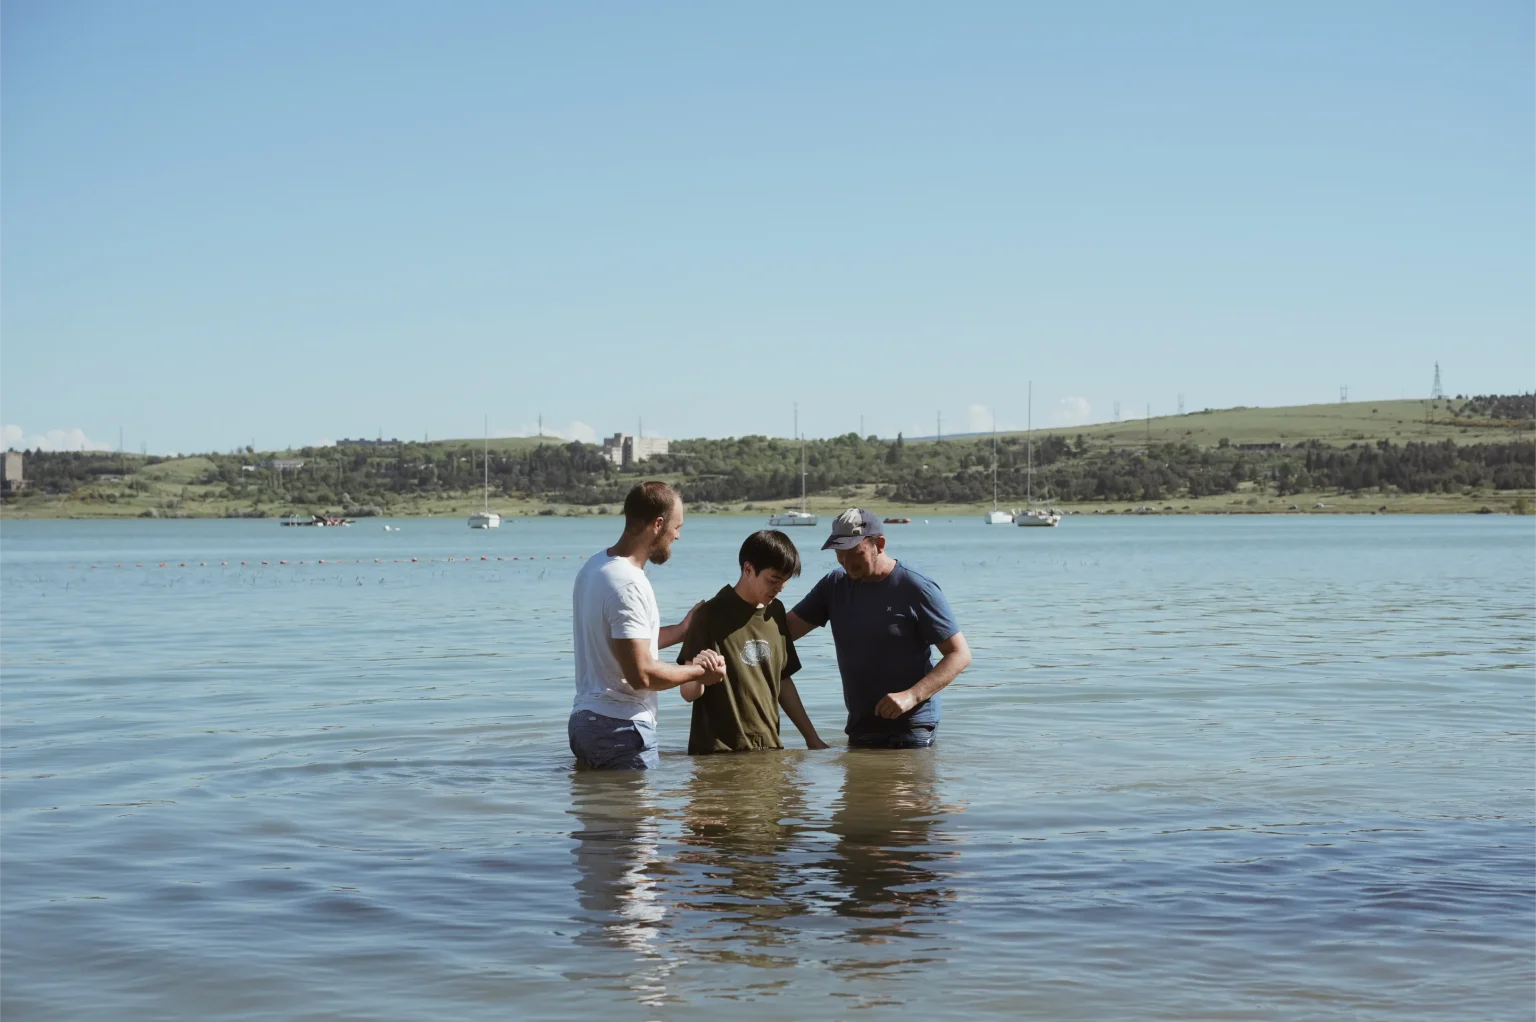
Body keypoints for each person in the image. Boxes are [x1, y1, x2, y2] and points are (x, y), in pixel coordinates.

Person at [569, 481, 726, 769]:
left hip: (586, 722)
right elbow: (641, 674)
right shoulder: (628, 583)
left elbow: (621, 644)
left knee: (598, 813)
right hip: (621, 728)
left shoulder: (594, 567)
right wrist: (699, 673)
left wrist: (681, 630)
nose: (677, 537)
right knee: (636, 815)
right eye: (677, 528)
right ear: (658, 524)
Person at [786, 508, 971, 748]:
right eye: (839, 553)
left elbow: (959, 654)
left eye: (855, 552)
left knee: (895, 786)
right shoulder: (834, 586)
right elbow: (785, 632)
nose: (846, 562)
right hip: (861, 726)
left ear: (879, 544)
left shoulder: (915, 587)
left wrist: (911, 696)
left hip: (912, 726)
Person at [676, 529, 829, 754]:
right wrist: (699, 673)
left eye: (784, 581)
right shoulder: (709, 614)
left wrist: (812, 739)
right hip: (720, 754)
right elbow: (688, 693)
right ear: (748, 569)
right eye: (773, 580)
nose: (779, 588)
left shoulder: (776, 612)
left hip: (769, 749)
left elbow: (783, 681)